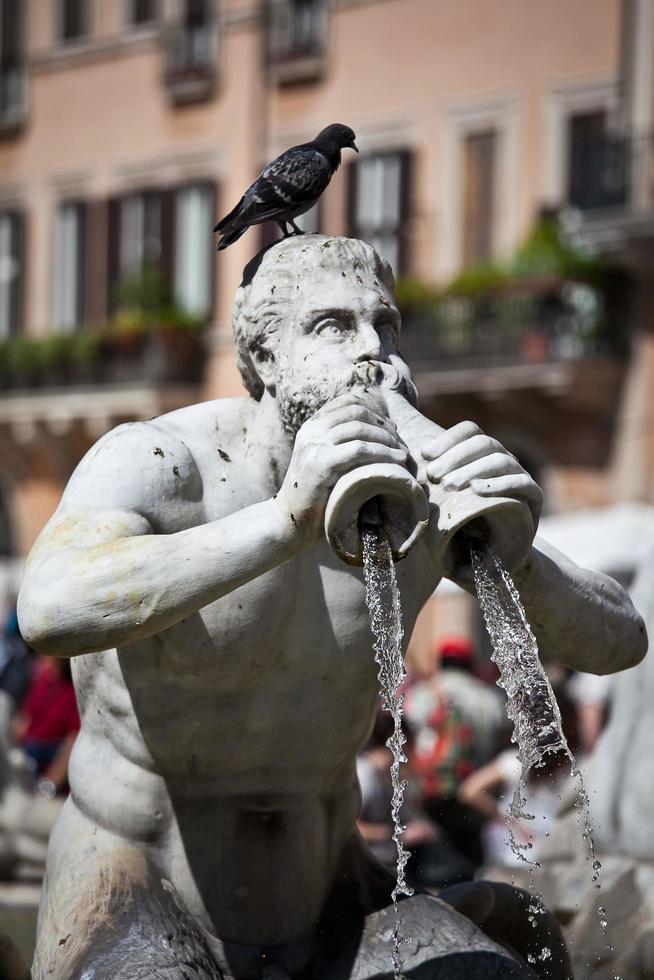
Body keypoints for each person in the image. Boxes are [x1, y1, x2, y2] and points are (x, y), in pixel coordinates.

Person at [16, 235, 646, 979]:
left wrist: (517, 554)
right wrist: (285, 521)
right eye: (334, 327)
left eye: (385, 325)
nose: (372, 352)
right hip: (136, 886)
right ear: (265, 359)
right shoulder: (163, 463)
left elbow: (620, 640)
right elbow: (49, 606)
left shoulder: (418, 486)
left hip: (333, 898)